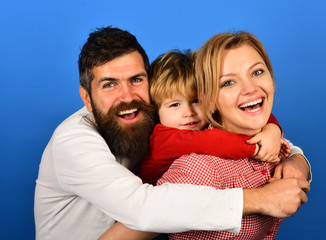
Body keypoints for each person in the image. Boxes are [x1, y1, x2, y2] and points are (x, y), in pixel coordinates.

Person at [34, 26, 310, 240]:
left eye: (136, 80)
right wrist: (263, 198)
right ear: (86, 97)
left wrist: (292, 153)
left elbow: (237, 122)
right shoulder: (73, 142)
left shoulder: (155, 112)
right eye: (109, 85)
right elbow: (143, 209)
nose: (127, 96)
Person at [155, 32, 306, 239]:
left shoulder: (269, 141)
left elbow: (287, 147)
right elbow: (152, 213)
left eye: (257, 72)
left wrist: (298, 162)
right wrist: (261, 199)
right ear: (209, 100)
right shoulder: (200, 167)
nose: (250, 88)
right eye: (228, 82)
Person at [137, 49, 289, 186]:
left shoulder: (207, 118)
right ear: (156, 111)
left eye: (196, 101)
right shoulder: (162, 139)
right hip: (156, 205)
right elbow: (215, 142)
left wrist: (272, 129)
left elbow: (255, 113)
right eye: (175, 105)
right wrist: (258, 147)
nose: (189, 112)